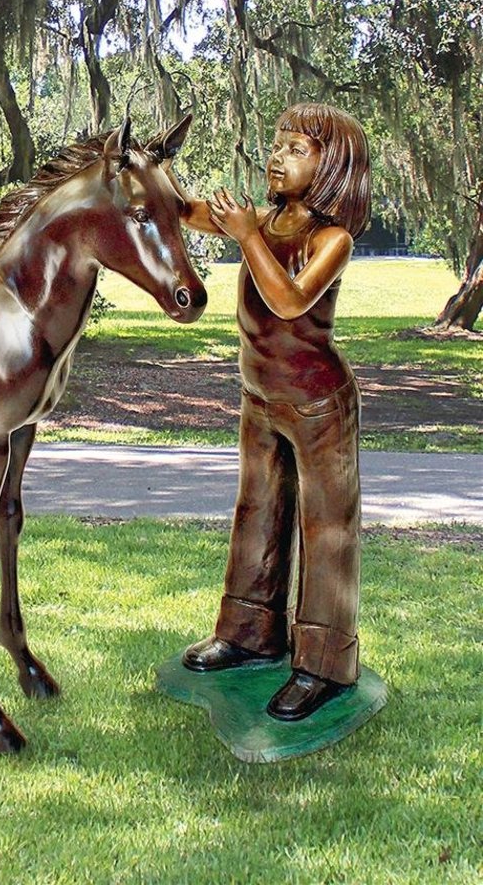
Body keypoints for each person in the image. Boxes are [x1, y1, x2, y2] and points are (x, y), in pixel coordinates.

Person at [169, 102, 372, 720]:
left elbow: (287, 301)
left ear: (332, 165)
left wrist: (248, 235)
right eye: (276, 144)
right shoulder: (264, 221)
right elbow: (192, 215)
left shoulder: (330, 240)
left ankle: (324, 663)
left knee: (326, 530)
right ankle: (250, 631)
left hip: (318, 406)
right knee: (256, 511)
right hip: (261, 398)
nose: (277, 156)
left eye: (296, 149)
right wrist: (154, 181)